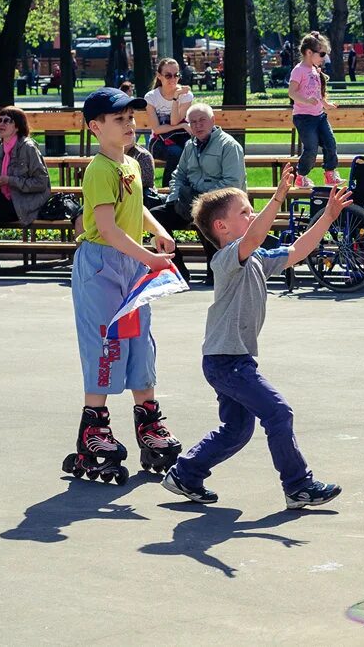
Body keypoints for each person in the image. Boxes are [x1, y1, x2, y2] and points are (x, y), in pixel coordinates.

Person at [161, 173, 351, 509]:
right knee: (278, 412)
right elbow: (254, 236)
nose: (251, 217)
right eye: (245, 212)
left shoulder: (257, 258)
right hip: (226, 361)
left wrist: (328, 218)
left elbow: (297, 251)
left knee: (236, 429)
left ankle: (186, 474)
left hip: (233, 359)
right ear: (222, 227)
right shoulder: (225, 259)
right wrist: (277, 199)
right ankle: (298, 485)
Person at [65, 88, 183, 485]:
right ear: (96, 127)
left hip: (131, 265)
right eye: (119, 119)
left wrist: (158, 231)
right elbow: (109, 228)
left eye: (131, 118)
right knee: (105, 342)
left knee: (138, 341)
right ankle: (94, 430)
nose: (130, 123)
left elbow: (137, 208)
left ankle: (148, 420)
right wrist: (150, 258)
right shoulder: (98, 169)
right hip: (102, 265)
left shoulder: (129, 163)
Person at [148, 104, 247, 284]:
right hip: (189, 203)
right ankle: (178, 271)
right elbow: (178, 175)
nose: (198, 125)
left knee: (204, 218)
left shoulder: (229, 146)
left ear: (213, 121)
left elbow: (232, 183)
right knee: (156, 218)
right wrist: (174, 198)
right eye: (193, 122)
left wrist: (202, 201)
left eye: (202, 120)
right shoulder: (189, 145)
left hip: (222, 206)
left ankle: (215, 273)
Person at [0, 107, 51, 280]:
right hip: (7, 200)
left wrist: (8, 180)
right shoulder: (1, 149)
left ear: (18, 126)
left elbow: (42, 182)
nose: (2, 123)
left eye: (7, 120)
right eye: (0, 120)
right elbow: (8, 178)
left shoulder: (28, 147)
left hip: (23, 204)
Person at [290, 31, 343, 189]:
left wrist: (326, 104)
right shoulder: (299, 70)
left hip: (319, 116)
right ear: (309, 52)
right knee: (311, 148)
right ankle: (301, 176)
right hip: (304, 118)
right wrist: (306, 101)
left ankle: (330, 173)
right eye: (322, 54)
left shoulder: (315, 70)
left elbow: (317, 93)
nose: (324, 58)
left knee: (330, 143)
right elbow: (292, 92)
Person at [145, 57, 195, 187]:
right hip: (158, 142)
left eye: (176, 75)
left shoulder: (186, 95)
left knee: (191, 150)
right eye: (168, 75)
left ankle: (188, 189)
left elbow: (173, 121)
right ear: (159, 76)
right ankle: (168, 191)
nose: (173, 79)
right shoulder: (151, 97)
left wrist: (176, 98)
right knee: (176, 153)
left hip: (179, 139)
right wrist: (183, 125)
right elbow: (157, 129)